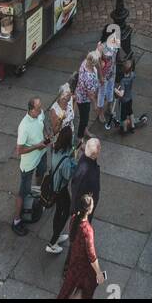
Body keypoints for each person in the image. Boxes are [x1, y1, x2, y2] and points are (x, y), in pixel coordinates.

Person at [12, 97, 51, 236]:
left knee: (41, 173)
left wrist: (46, 134)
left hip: (41, 155)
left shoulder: (39, 114)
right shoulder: (23, 127)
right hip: (28, 163)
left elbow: (43, 122)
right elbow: (19, 151)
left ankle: (38, 196)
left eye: (41, 107)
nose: (41, 111)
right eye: (38, 109)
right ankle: (16, 220)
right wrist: (36, 146)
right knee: (23, 192)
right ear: (30, 109)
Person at [56, 193, 105, 299]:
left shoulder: (73, 219)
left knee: (66, 291)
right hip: (84, 268)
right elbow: (91, 255)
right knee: (86, 292)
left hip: (74, 263)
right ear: (89, 210)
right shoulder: (87, 230)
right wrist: (98, 273)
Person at [44, 124, 76, 255]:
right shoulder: (66, 160)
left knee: (59, 211)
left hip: (54, 186)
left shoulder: (56, 149)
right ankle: (52, 242)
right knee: (67, 210)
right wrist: (74, 160)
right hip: (60, 189)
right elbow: (69, 174)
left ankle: (56, 236)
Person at [70, 136, 102, 221]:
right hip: (83, 209)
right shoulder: (90, 175)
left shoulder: (84, 158)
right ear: (95, 154)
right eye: (99, 149)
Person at [74, 51, 100, 142]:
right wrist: (95, 105)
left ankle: (85, 131)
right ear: (93, 63)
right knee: (84, 119)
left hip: (81, 94)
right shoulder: (88, 77)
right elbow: (90, 94)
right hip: (84, 99)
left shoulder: (85, 62)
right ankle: (80, 137)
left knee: (85, 116)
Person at [96, 28, 120, 126]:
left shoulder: (115, 41)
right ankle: (100, 112)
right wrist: (100, 76)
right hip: (104, 74)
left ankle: (109, 106)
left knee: (111, 89)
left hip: (112, 70)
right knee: (102, 93)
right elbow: (97, 62)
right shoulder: (101, 46)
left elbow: (117, 54)